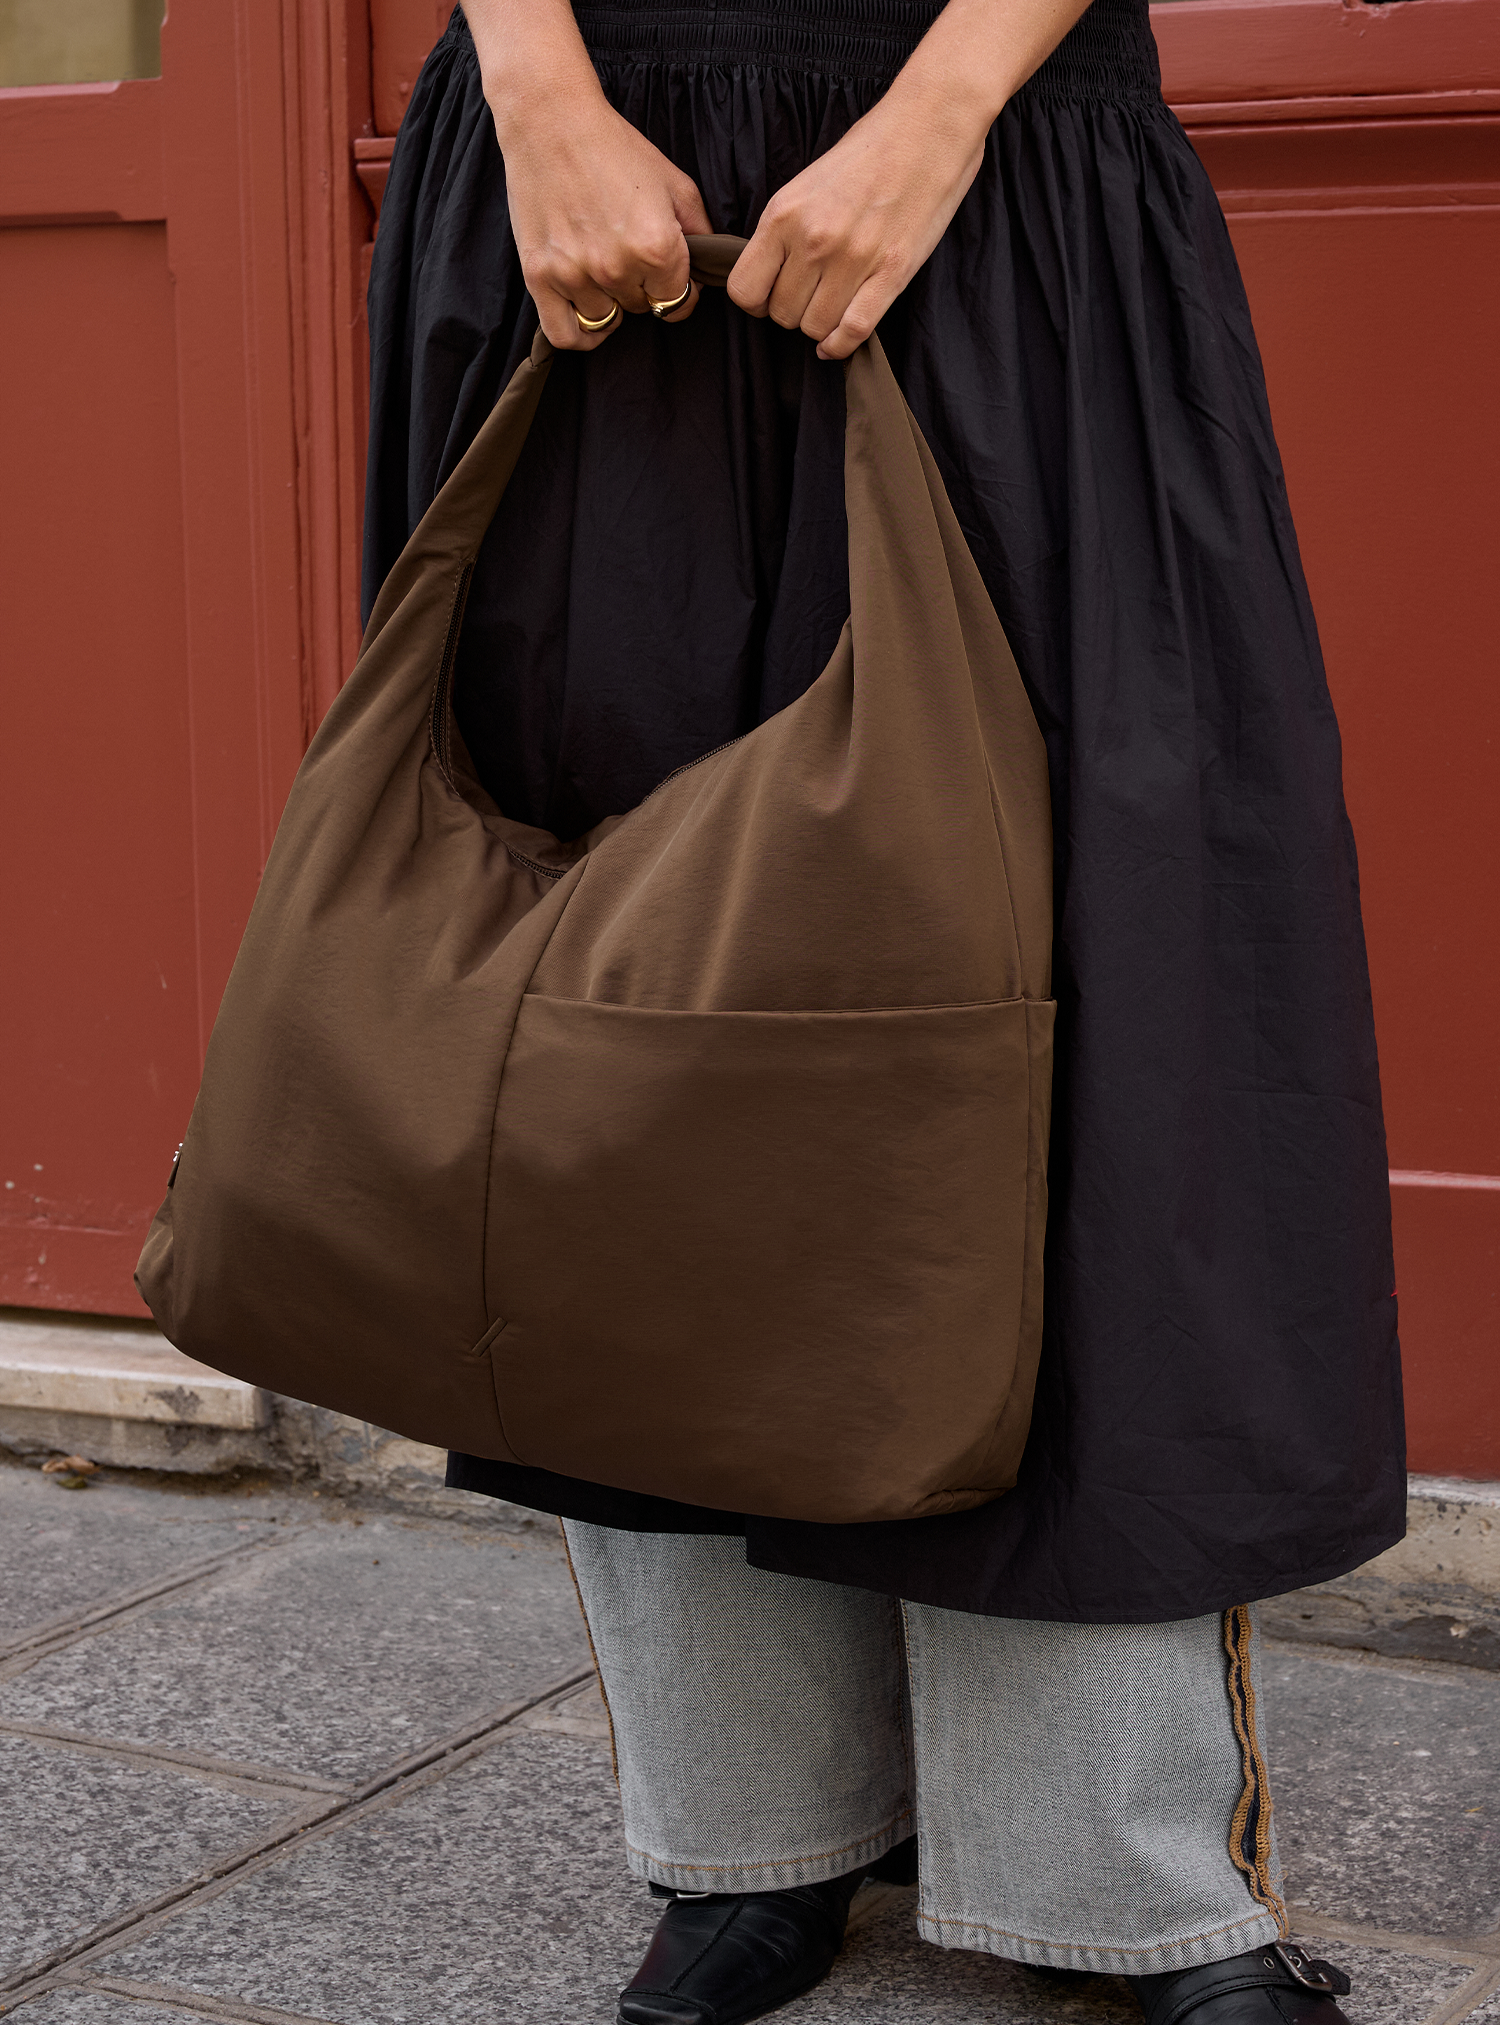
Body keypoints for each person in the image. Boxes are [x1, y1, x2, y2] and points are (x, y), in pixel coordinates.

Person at [362, 1, 1406, 2019]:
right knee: (623, 1006)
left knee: (1093, 982)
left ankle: (1121, 1868)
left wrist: (944, 109)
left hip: (1004, 176)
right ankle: (752, 1825)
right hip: (590, 183)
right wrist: (536, 88)